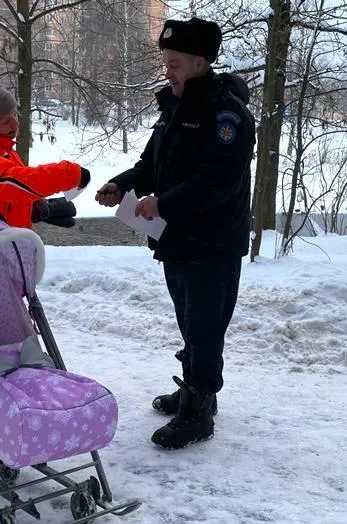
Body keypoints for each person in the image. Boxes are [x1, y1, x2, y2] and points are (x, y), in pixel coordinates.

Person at [95, 17, 256, 450]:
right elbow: (153, 165)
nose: (167, 70)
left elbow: (217, 181)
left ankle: (200, 408)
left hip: (213, 241)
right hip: (177, 238)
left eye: (175, 63)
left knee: (204, 323)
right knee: (190, 319)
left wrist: (163, 203)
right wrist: (124, 184)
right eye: (166, 62)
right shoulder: (175, 107)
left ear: (200, 62)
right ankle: (194, 387)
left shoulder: (227, 115)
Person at [0, 80, 87, 229]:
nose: (15, 124)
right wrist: (67, 175)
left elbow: (1, 195)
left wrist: (35, 206)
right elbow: (7, 182)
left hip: (3, 241)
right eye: (6, 122)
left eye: (15, 114)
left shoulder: (0, 147)